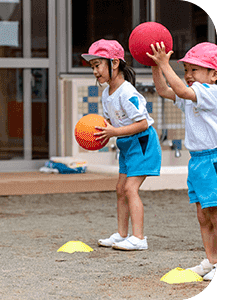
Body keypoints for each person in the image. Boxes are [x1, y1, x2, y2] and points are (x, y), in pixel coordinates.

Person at [148, 41, 219, 279]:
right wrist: (155, 66)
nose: (188, 75)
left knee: (217, 213)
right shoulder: (192, 94)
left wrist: (165, 64)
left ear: (214, 74)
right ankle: (211, 261)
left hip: (214, 159)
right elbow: (164, 90)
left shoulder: (211, 93)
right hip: (197, 161)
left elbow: (180, 90)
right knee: (202, 214)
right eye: (186, 70)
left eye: (194, 70)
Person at [82, 39, 161, 251]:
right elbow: (110, 124)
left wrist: (114, 132)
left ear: (114, 63)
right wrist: (103, 134)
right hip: (126, 145)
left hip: (142, 143)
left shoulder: (127, 92)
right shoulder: (106, 94)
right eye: (93, 67)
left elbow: (143, 123)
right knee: (120, 189)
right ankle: (122, 234)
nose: (95, 72)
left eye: (97, 65)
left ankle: (139, 238)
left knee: (130, 188)